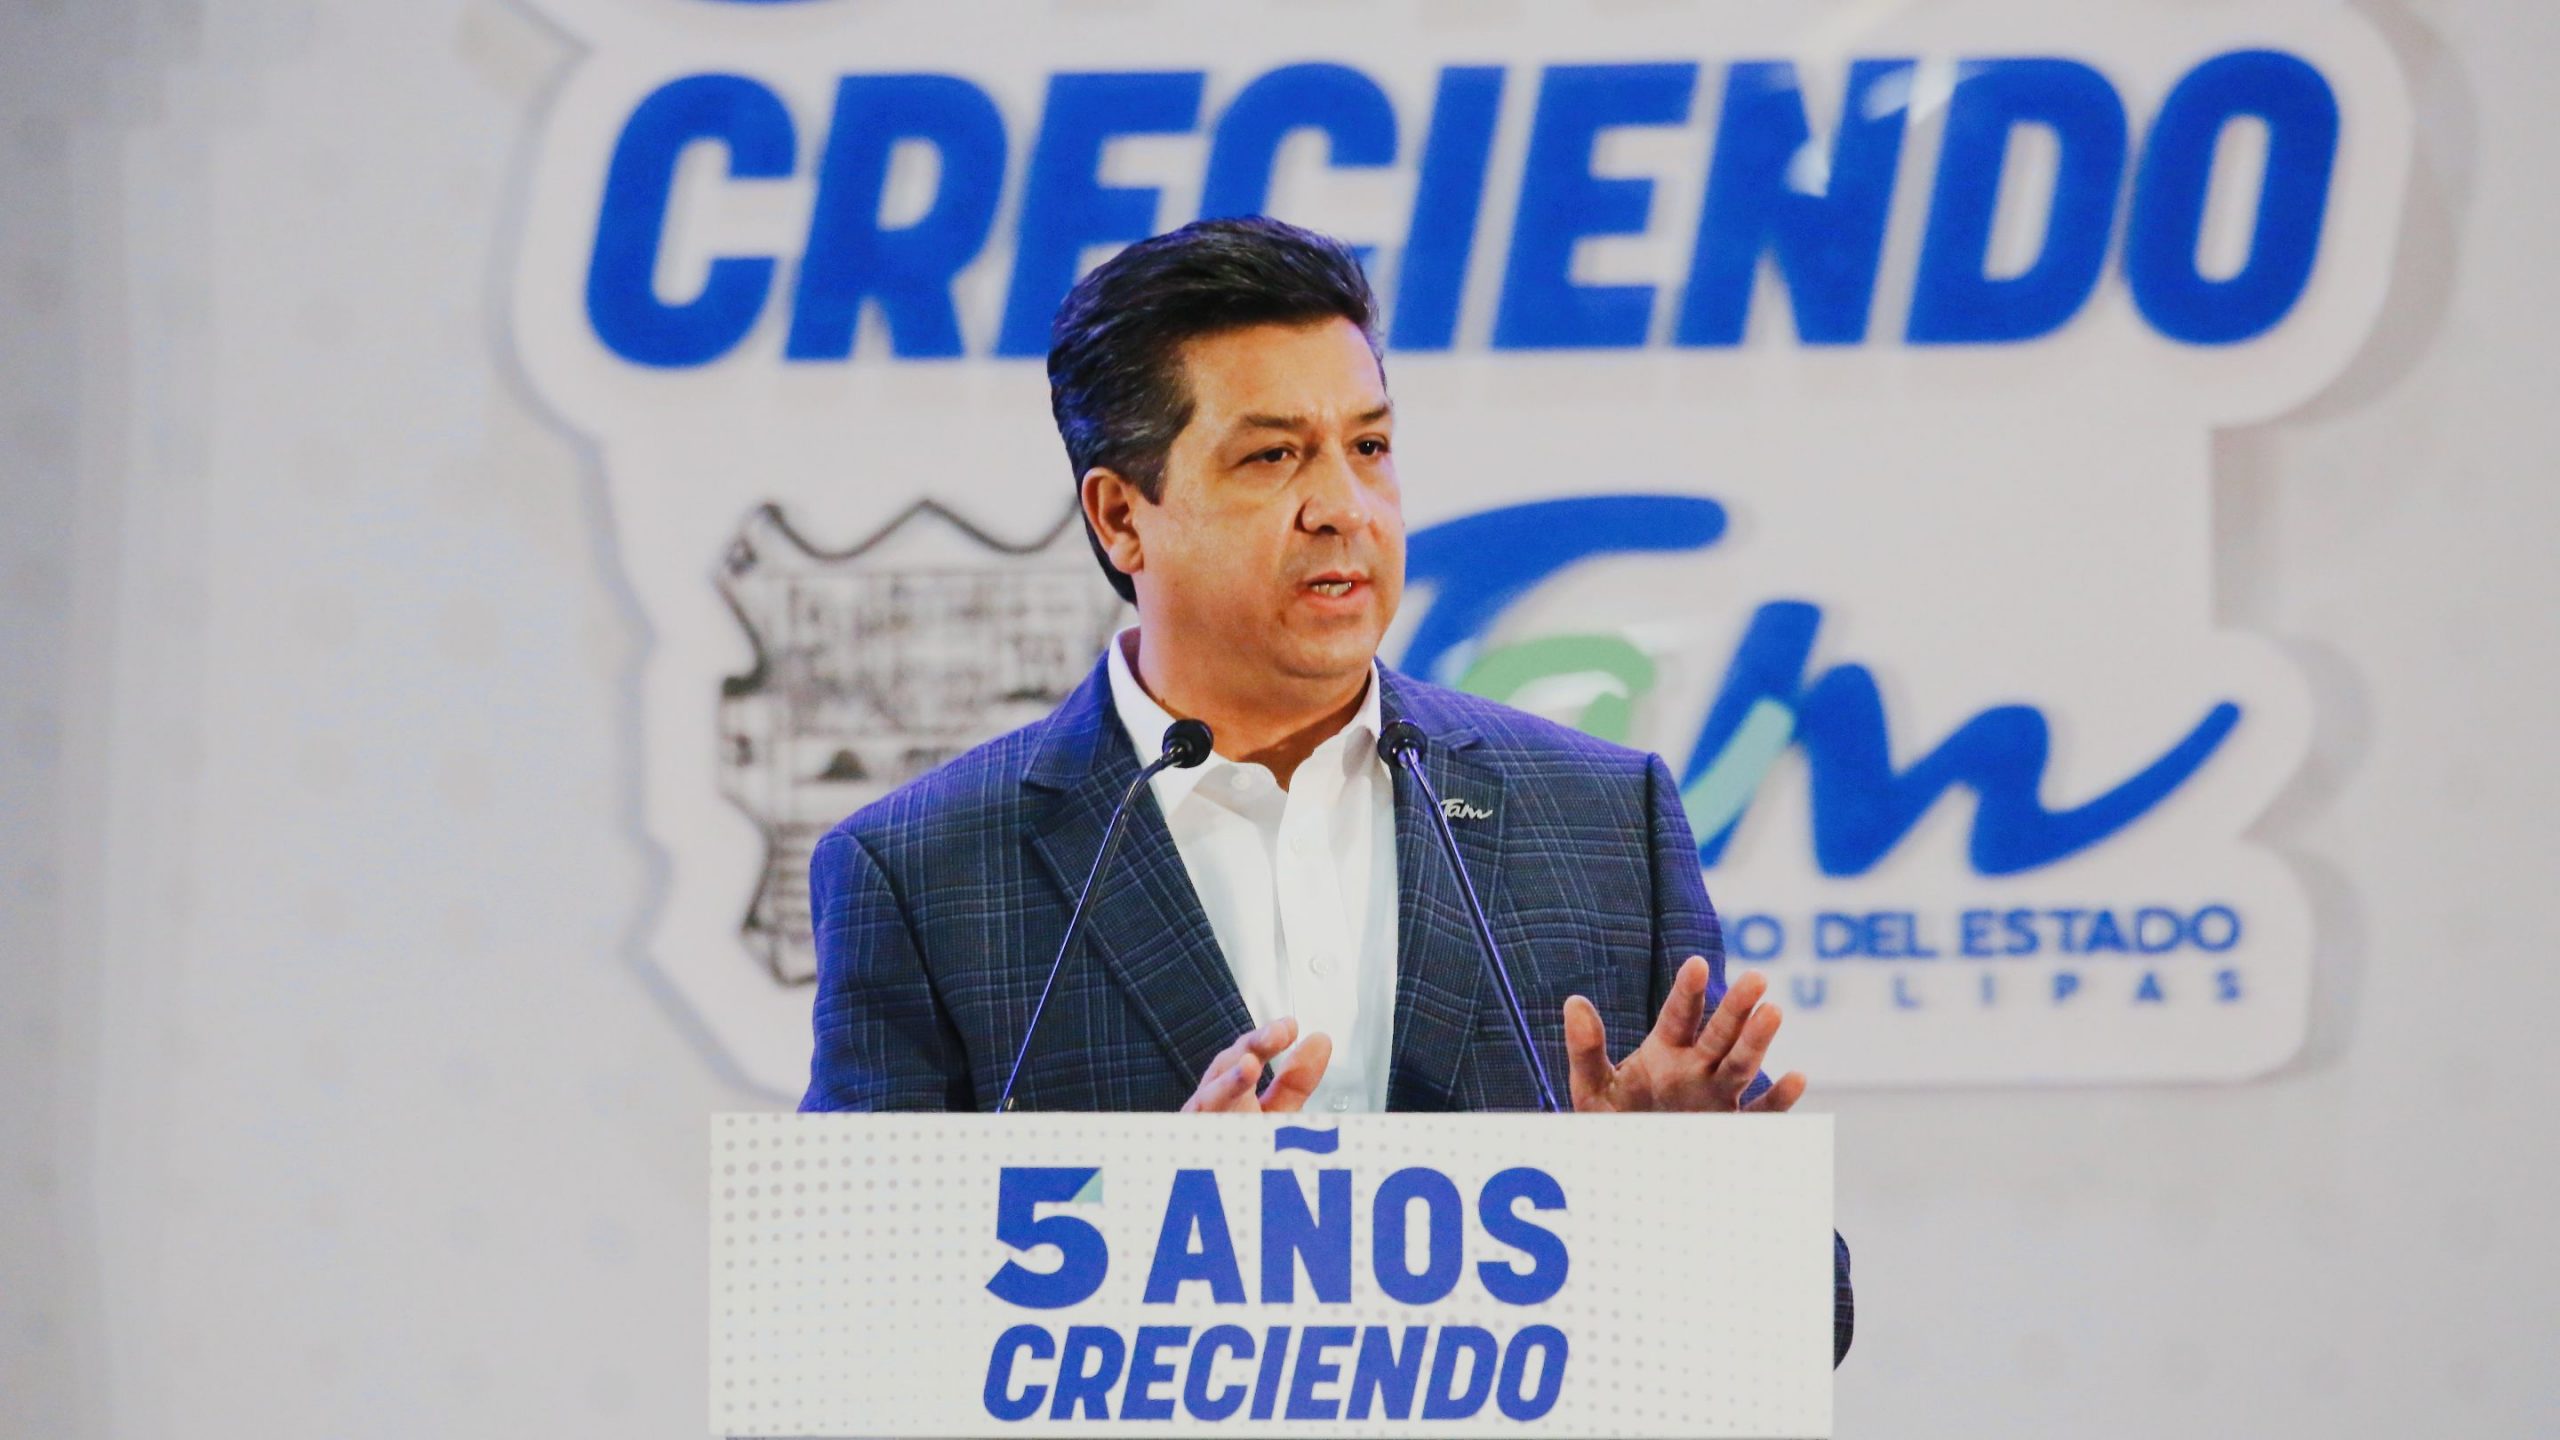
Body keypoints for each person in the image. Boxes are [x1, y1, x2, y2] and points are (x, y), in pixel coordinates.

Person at [800, 216, 1851, 1364]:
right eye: (1272, 458)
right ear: (1120, 516)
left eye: (1369, 446)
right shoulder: (928, 870)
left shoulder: (1600, 818)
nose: (1345, 506)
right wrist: (1133, 1246)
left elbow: (1806, 1324)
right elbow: (842, 1328)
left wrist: (1683, 1205)